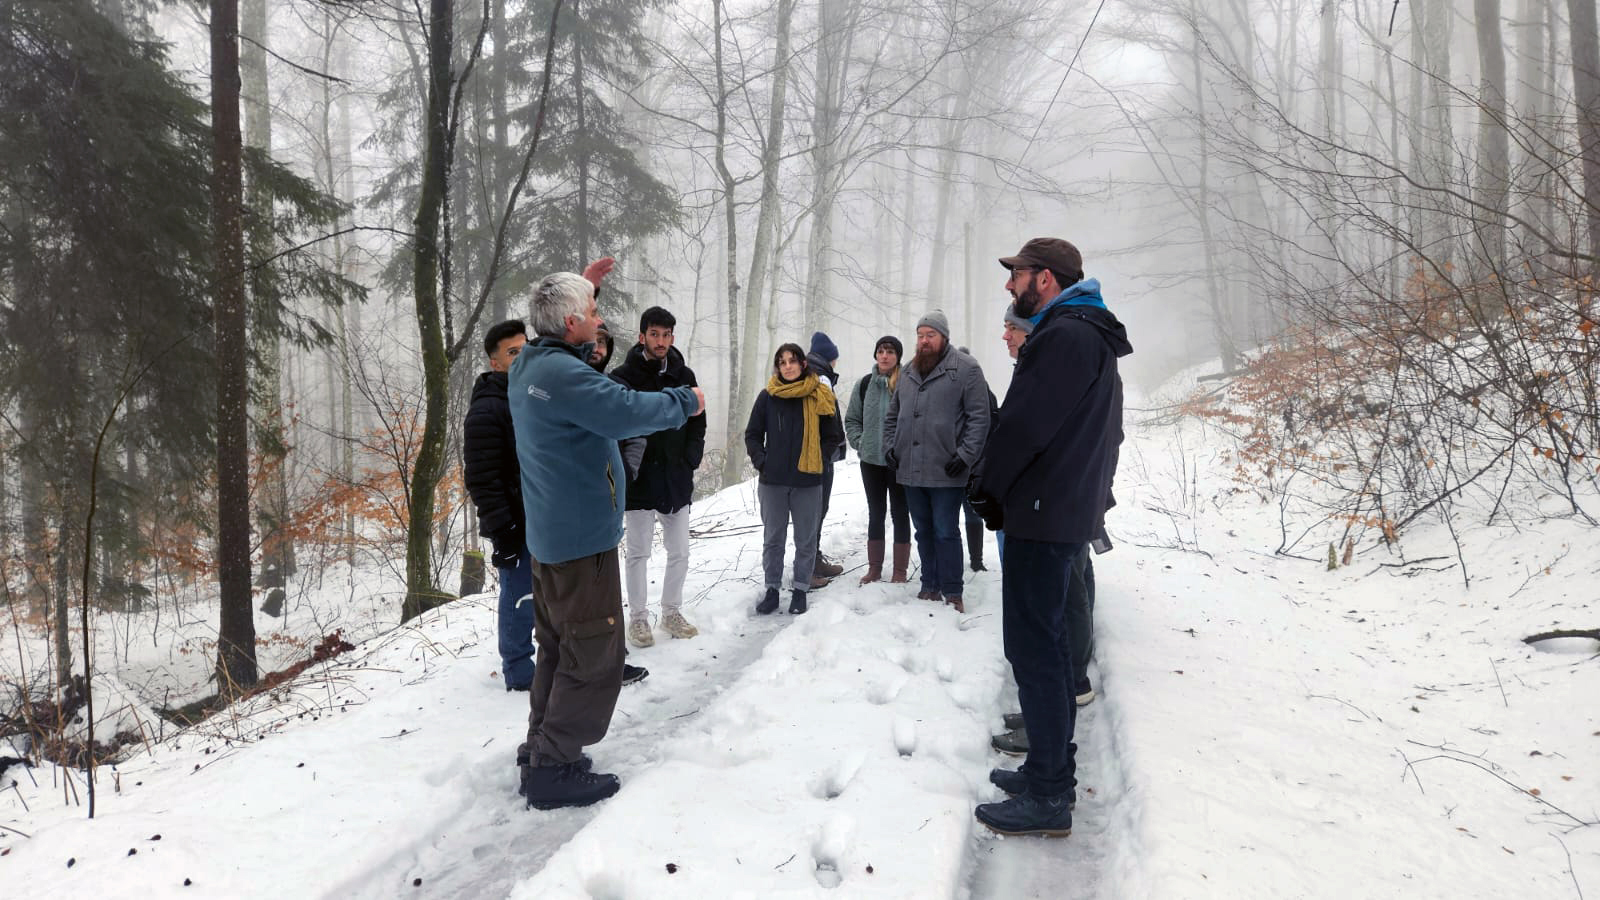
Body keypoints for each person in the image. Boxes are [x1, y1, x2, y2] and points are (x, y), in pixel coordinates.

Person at [509, 271, 706, 811]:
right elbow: (625, 410)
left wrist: (584, 284)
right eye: (592, 314)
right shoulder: (567, 377)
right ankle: (555, 766)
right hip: (581, 544)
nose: (600, 322)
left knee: (556, 648)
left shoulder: (530, 362)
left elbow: (559, 309)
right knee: (594, 656)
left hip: (551, 539)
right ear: (571, 324)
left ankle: (541, 748)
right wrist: (684, 402)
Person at [970, 238, 1132, 838]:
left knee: (1035, 654)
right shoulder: (1086, 335)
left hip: (1043, 516)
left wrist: (988, 490)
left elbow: (1023, 427)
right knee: (1049, 651)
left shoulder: (1065, 337)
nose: (1011, 286)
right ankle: (1048, 766)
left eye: (1017, 275)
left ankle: (1047, 797)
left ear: (1046, 278)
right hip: (1059, 511)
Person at [882, 311, 991, 613]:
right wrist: (890, 446)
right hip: (911, 469)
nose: (924, 341)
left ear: (944, 337)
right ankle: (929, 584)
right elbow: (892, 416)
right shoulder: (907, 371)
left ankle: (953, 591)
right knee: (923, 530)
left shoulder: (967, 369)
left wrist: (966, 455)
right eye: (920, 335)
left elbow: (979, 418)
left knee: (945, 530)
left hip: (947, 468)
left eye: (930, 335)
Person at [609, 306, 705, 647]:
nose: (660, 341)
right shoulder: (624, 376)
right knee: (638, 553)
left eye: (666, 335)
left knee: (680, 551)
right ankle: (637, 619)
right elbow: (616, 425)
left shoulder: (684, 374)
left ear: (672, 338)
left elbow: (697, 419)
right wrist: (625, 468)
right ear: (642, 337)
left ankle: (671, 612)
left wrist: (691, 458)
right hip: (639, 480)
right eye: (654, 334)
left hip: (676, 478)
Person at [744, 343, 845, 615]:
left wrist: (819, 460)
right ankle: (772, 590)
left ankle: (800, 590)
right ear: (778, 366)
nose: (787, 366)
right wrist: (763, 462)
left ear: (803, 364)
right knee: (773, 539)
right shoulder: (767, 397)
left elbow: (833, 435)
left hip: (808, 482)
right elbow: (752, 434)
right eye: (782, 361)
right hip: (773, 482)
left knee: (806, 539)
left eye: (792, 360)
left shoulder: (820, 395)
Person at [463, 319, 536, 692]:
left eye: (525, 349)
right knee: (519, 596)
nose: (521, 357)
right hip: (513, 522)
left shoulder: (530, 396)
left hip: (541, 517)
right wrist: (504, 528)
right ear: (495, 363)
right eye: (512, 353)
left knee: (543, 595)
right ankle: (519, 670)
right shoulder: (488, 410)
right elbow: (481, 478)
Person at [844, 336, 911, 584]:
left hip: (899, 461)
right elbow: (851, 419)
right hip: (871, 461)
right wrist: (860, 442)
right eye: (881, 351)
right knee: (876, 513)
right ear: (875, 355)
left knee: (901, 514)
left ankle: (900, 572)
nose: (885, 355)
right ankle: (874, 569)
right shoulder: (864, 385)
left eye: (890, 351)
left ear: (897, 357)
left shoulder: (908, 384)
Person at [805, 331, 846, 584]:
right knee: (815, 511)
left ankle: (813, 560)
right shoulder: (821, 379)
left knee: (816, 510)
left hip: (817, 454)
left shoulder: (813, 373)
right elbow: (824, 418)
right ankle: (809, 567)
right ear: (828, 358)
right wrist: (825, 451)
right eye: (835, 359)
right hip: (817, 457)